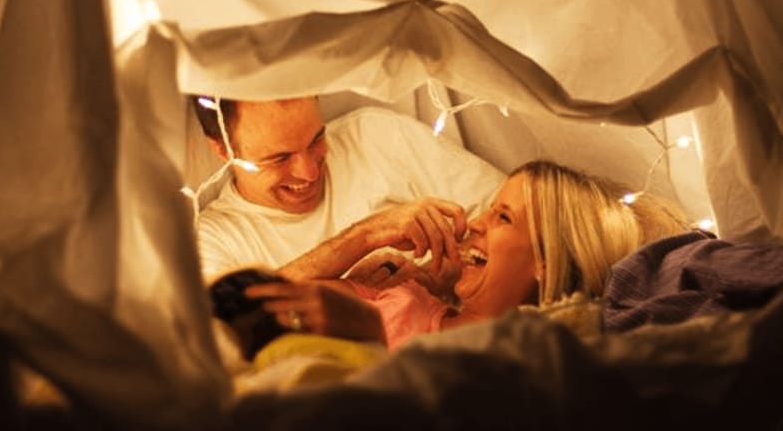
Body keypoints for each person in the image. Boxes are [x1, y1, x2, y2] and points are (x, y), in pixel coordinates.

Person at [235, 159, 691, 351]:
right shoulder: (397, 295)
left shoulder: (535, 358)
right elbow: (238, 314)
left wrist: (373, 341)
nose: (474, 223)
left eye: (502, 218)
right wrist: (366, 236)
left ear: (546, 261)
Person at [191, 95, 505, 281]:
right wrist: (363, 237)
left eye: (316, 139)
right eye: (280, 158)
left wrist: (433, 277)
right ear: (222, 149)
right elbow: (228, 330)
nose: (309, 172)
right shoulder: (216, 238)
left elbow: (528, 212)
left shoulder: (375, 136)